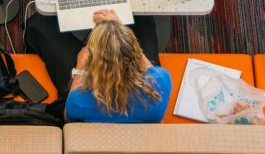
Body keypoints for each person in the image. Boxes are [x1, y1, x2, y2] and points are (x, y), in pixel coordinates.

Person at [25, 10, 171, 123]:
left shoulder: (79, 99)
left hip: (92, 90)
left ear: (95, 60)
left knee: (40, 23)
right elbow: (144, 62)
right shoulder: (160, 83)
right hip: (136, 125)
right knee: (142, 19)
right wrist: (118, 28)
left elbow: (67, 118)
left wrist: (81, 69)